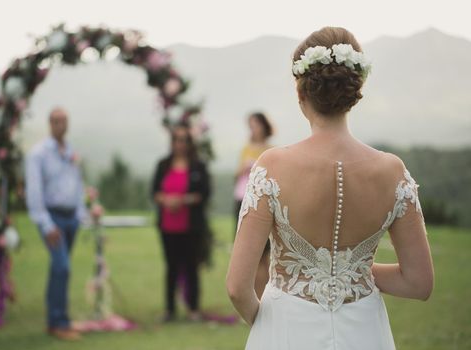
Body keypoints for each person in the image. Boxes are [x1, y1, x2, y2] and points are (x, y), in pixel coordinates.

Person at [226, 27, 434, 350]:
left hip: (286, 330)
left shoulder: (272, 167)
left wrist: (266, 325)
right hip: (365, 333)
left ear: (301, 94)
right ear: (355, 89)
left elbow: (238, 287)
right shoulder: (394, 172)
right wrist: (351, 273)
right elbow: (419, 282)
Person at [25, 107, 88, 341]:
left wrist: (81, 214)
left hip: (71, 217)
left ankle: (57, 319)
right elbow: (34, 192)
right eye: (56, 121)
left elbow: (77, 185)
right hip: (52, 218)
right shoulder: (38, 154)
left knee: (59, 269)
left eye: (64, 121)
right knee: (63, 267)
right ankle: (60, 322)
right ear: (49, 123)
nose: (61, 125)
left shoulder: (71, 151)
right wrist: (45, 223)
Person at [151, 122, 211, 322]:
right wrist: (166, 200)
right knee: (171, 267)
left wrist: (182, 200)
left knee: (192, 267)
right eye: (177, 139)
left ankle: (193, 309)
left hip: (191, 225)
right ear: (172, 142)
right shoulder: (163, 165)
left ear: (190, 143)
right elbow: (154, 192)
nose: (180, 144)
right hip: (168, 225)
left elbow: (204, 193)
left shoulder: (198, 166)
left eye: (184, 140)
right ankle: (169, 310)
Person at [233, 112, 274, 299]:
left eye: (255, 124)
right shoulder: (246, 149)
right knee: (250, 256)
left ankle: (263, 296)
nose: (252, 129)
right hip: (242, 198)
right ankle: (255, 296)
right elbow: (238, 174)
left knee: (263, 255)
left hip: (261, 201)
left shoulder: (271, 151)